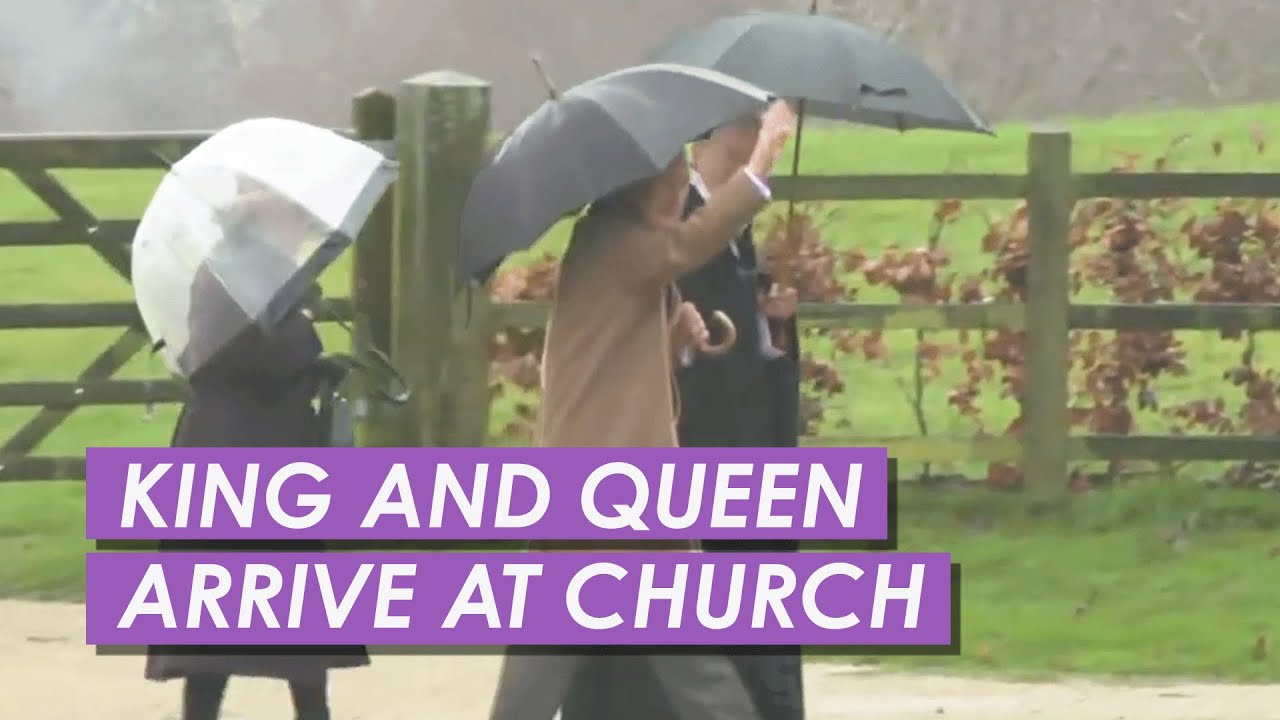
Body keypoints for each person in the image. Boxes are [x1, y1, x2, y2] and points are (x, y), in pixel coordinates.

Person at [486, 98, 797, 720]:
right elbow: (697, 241)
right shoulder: (621, 241)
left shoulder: (613, 241)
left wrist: (672, 329)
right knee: (676, 654)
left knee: (562, 653)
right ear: (646, 188)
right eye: (675, 177)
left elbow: (609, 352)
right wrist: (761, 161)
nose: (682, 186)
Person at [144, 191, 367, 720]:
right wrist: (310, 337)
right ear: (273, 223)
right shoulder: (245, 280)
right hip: (246, 453)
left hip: (231, 446)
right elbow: (259, 358)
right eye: (298, 221)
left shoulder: (247, 274)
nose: (302, 232)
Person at [676, 112, 806, 720]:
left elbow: (741, 330)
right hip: (703, 436)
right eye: (750, 123)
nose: (759, 133)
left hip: (752, 437)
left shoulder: (739, 227)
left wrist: (773, 321)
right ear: (717, 132)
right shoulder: (683, 217)